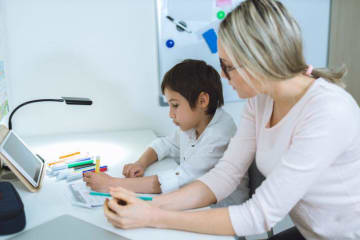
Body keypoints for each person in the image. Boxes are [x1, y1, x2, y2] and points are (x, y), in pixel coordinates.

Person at [102, 0, 360, 239]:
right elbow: (224, 176)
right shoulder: (260, 100)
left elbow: (259, 215)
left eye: (227, 66)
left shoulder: (328, 111)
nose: (223, 77)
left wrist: (153, 216)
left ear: (260, 60)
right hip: (311, 232)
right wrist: (147, 205)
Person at [83, 59, 239, 195]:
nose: (171, 114)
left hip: (217, 212)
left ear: (202, 101)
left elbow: (180, 179)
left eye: (175, 105)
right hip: (195, 202)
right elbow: (166, 144)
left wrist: (112, 184)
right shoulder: (194, 123)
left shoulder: (218, 135)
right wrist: (140, 163)